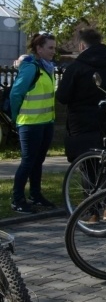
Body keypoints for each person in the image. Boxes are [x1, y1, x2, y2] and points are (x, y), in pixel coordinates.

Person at [56, 29, 106, 163]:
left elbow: (62, 97)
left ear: (82, 45)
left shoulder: (76, 68)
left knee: (86, 164)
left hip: (81, 123)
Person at [9, 33, 57, 213]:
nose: (54, 51)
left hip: (45, 122)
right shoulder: (31, 68)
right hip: (30, 123)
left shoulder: (46, 68)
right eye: (50, 48)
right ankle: (17, 199)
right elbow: (16, 94)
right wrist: (16, 117)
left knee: (38, 161)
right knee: (28, 161)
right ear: (39, 49)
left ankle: (35, 195)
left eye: (54, 47)